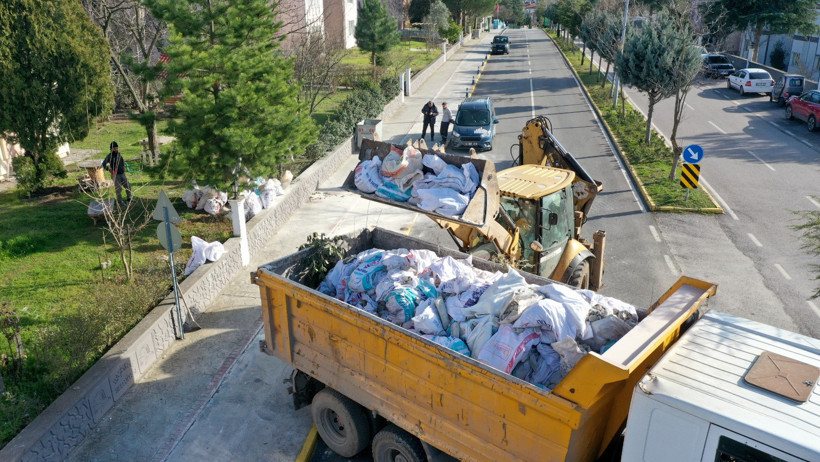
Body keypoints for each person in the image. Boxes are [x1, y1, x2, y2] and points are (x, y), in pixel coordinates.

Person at [101, 141, 132, 206]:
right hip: (115, 175)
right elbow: (103, 164)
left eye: (117, 148)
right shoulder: (109, 156)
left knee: (128, 186)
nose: (116, 149)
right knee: (118, 189)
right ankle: (120, 202)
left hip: (122, 173)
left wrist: (123, 166)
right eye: (114, 148)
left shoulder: (119, 154)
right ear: (111, 149)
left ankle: (129, 198)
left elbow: (122, 160)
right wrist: (109, 170)